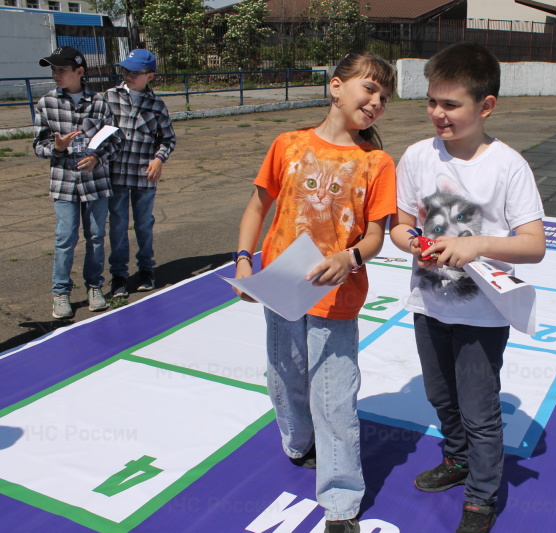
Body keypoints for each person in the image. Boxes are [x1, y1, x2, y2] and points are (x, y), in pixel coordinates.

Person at [233, 52, 397, 533]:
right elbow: (256, 207)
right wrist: (244, 260)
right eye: (369, 89)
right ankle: (298, 442)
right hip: (281, 285)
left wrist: (351, 259)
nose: (376, 102)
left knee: (336, 398)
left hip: (337, 296)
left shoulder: (377, 162)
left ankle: (342, 501)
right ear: (335, 86)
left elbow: (374, 236)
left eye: (384, 98)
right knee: (285, 376)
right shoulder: (287, 145)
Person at [389, 42, 546, 533]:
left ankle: (481, 498)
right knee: (440, 396)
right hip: (429, 304)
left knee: (480, 411)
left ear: (486, 106)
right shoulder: (416, 156)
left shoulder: (508, 165)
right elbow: (399, 225)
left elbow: (534, 245)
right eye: (432, 102)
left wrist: (478, 244)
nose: (439, 114)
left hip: (482, 316)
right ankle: (457, 460)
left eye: (451, 104)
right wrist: (412, 243)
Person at [34, 46, 122, 319]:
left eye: (61, 70)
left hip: (95, 183)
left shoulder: (99, 103)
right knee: (65, 238)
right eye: (53, 70)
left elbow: (115, 139)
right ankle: (61, 293)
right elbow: (39, 145)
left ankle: (94, 286)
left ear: (79, 72)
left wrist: (97, 157)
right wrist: (57, 148)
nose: (56, 75)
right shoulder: (46, 103)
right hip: (63, 183)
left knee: (96, 237)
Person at [104, 49, 176, 297]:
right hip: (116, 175)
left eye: (135, 72)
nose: (128, 76)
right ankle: (119, 275)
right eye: (125, 71)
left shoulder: (156, 105)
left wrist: (159, 159)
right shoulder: (109, 98)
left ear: (150, 76)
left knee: (144, 224)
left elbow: (167, 139)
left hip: (144, 176)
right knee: (118, 225)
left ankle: (146, 268)